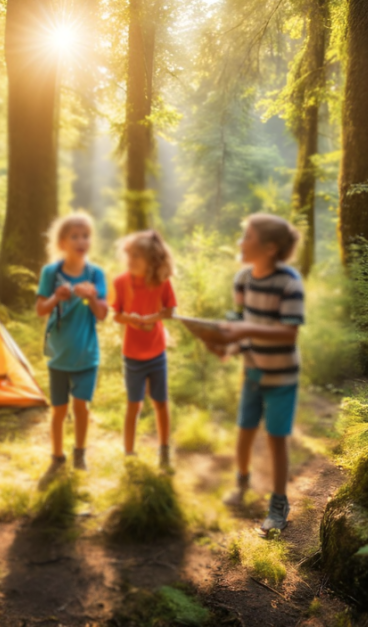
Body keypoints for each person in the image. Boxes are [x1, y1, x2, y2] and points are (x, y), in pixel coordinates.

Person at [200, 213, 305, 532]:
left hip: (282, 377)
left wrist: (243, 328)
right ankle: (241, 483)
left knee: (276, 438)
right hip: (252, 372)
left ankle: (279, 503)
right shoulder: (243, 279)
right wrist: (227, 346)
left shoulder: (289, 283)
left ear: (270, 247)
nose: (240, 242)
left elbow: (289, 333)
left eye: (247, 237)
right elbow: (243, 331)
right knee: (244, 430)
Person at [36, 212, 109, 472]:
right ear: (62, 242)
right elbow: (41, 309)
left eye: (86, 236)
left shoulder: (95, 273)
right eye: (74, 236)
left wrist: (90, 297)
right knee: (58, 410)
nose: (81, 241)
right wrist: (56, 297)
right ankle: (57, 457)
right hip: (58, 355)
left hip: (86, 355)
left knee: (81, 407)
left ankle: (79, 454)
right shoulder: (51, 272)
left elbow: (102, 314)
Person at [112, 230, 177, 469]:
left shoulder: (162, 282)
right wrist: (130, 319)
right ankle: (129, 454)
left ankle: (164, 451)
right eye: (129, 255)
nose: (131, 260)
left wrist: (152, 318)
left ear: (152, 259)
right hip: (132, 355)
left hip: (157, 352)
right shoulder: (120, 282)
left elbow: (170, 311)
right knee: (134, 404)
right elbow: (116, 315)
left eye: (137, 255)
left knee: (160, 403)